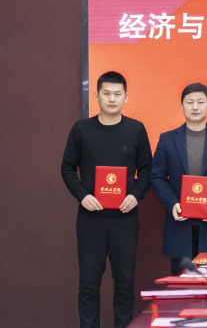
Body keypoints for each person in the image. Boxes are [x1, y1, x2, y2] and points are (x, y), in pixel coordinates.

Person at [61, 71, 152, 328]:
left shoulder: (136, 129)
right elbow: (67, 167)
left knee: (124, 284)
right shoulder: (81, 129)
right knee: (89, 285)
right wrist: (83, 196)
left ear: (126, 97)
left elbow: (147, 169)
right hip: (91, 220)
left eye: (117, 94)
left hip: (125, 219)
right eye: (107, 93)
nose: (112, 99)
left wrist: (136, 195)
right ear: (96, 96)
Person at [151, 83, 207, 275]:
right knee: (181, 285)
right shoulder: (167, 139)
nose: (195, 107)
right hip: (179, 225)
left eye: (200, 102)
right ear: (182, 106)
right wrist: (172, 203)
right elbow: (157, 176)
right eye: (189, 102)